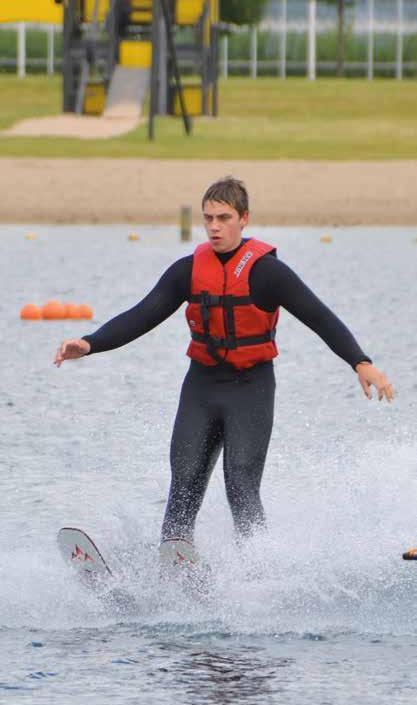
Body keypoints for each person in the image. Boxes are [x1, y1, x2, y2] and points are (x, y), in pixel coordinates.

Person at [55, 177, 394, 569]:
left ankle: (257, 576)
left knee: (242, 489)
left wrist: (360, 362)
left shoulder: (268, 273)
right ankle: (174, 570)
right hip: (201, 387)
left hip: (250, 388)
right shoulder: (187, 271)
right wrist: (90, 342)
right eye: (208, 218)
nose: (214, 226)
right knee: (182, 485)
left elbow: (320, 317)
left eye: (223, 217)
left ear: (243, 219)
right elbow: (142, 314)